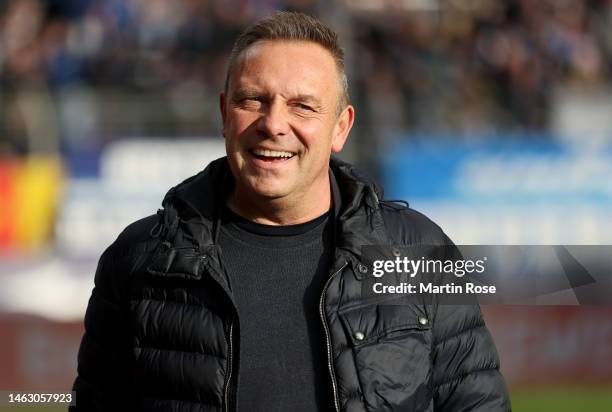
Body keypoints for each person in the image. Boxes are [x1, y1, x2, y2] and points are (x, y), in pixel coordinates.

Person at [71, 11, 510, 412]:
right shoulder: (140, 258)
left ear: (341, 127)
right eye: (253, 100)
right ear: (225, 114)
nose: (274, 124)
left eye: (302, 105)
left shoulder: (419, 252)